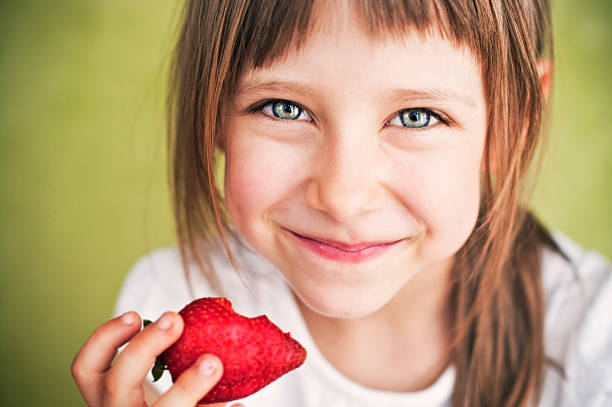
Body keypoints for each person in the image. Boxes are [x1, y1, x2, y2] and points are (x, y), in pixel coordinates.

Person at [71, 0, 612, 406]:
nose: (342, 196)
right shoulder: (169, 310)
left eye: (416, 116)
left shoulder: (594, 339)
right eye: (283, 108)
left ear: (514, 124)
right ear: (213, 110)